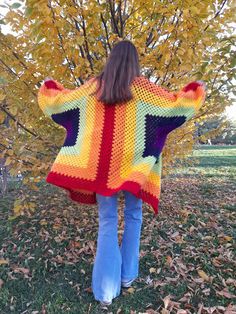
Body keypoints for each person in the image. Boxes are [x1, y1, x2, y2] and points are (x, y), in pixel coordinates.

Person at [38, 40, 206, 309]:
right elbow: (176, 106)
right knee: (133, 217)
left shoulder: (93, 87)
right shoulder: (145, 90)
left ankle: (105, 292)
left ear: (111, 60)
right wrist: (195, 91)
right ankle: (127, 277)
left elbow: (61, 103)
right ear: (134, 62)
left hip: (102, 170)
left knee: (107, 221)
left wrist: (49, 88)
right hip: (134, 169)